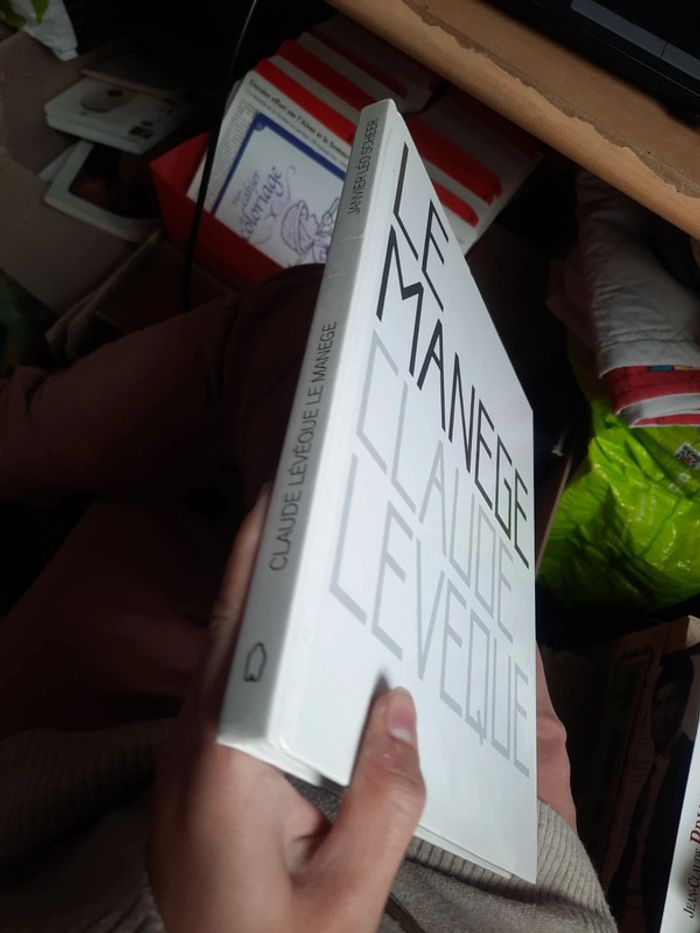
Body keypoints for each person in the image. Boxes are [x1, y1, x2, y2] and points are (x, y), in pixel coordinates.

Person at [0, 266, 616, 931]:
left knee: (315, 337)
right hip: (520, 863)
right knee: (339, 332)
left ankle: (17, 436)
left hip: (120, 804)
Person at [608, 653, 695, 932]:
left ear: (683, 706)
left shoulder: (688, 763)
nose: (661, 714)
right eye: (657, 704)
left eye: (670, 702)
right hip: (621, 912)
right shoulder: (652, 768)